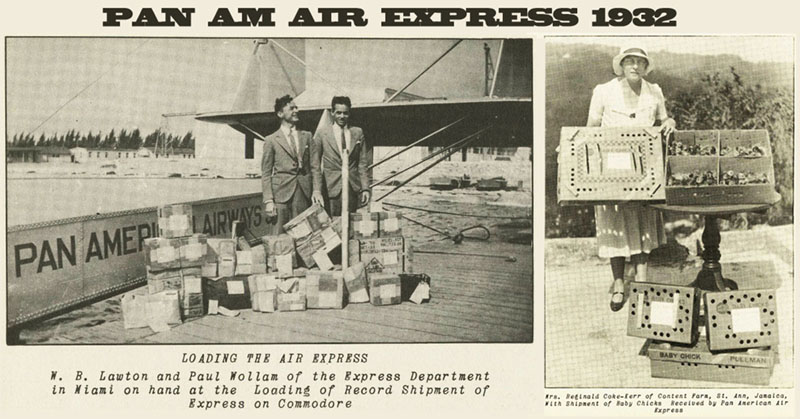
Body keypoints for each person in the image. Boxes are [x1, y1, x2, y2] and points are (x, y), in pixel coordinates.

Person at [587, 46, 676, 312]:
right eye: (630, 62)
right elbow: (590, 128)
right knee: (614, 226)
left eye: (640, 62)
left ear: (646, 67)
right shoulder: (603, 91)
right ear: (622, 66)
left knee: (642, 226)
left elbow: (664, 118)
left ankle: (643, 286)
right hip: (610, 169)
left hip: (644, 170)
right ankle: (618, 285)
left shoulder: (654, 91)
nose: (635, 67)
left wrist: (669, 122)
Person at [311, 96, 373, 216]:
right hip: (331, 188)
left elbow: (362, 163)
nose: (342, 116)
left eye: (345, 113)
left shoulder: (357, 132)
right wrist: (317, 190)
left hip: (352, 188)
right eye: (338, 113)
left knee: (350, 225)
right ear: (332, 112)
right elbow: (315, 165)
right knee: (333, 226)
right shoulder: (322, 133)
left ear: (349, 113)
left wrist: (365, 188)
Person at [261, 95, 313, 234]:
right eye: (291, 108)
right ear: (280, 113)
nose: (296, 110)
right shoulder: (271, 140)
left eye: (296, 107)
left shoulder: (307, 136)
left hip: (302, 193)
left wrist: (316, 191)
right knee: (279, 238)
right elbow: (266, 173)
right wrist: (268, 200)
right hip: (280, 195)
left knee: (303, 236)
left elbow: (314, 167)